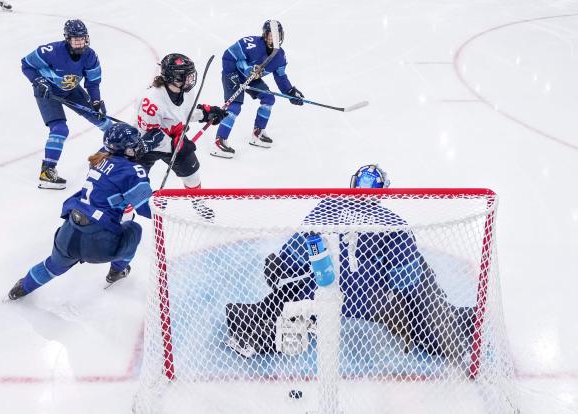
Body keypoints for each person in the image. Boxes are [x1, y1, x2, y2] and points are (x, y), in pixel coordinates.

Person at [225, 164, 475, 360]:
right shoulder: (394, 223)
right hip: (373, 304)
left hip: (321, 296)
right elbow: (405, 282)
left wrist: (277, 265)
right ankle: (446, 331)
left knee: (295, 284)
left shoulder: (328, 205)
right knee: (419, 276)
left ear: (353, 184)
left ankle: (258, 329)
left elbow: (293, 258)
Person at [7, 123, 152, 300]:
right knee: (133, 229)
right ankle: (117, 271)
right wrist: (156, 197)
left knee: (53, 266)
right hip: (98, 243)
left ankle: (21, 288)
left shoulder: (99, 158)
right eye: (134, 145)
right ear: (127, 150)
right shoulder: (133, 172)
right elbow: (147, 209)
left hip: (69, 231)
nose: (138, 147)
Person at [21, 19, 112, 190]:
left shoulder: (90, 55)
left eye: (82, 38)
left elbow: (92, 83)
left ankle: (119, 151)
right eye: (75, 39)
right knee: (60, 129)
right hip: (48, 92)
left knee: (101, 119)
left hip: (71, 90)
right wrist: (38, 80)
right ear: (67, 39)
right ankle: (47, 172)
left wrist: (96, 101)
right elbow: (26, 64)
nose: (79, 42)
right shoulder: (51, 51)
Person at [133, 53, 227, 219]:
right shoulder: (151, 101)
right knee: (132, 182)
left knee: (192, 175)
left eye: (190, 75)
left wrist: (206, 114)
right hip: (143, 146)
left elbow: (184, 112)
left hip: (175, 139)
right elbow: (148, 137)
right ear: (171, 77)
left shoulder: (185, 91)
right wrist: (173, 144)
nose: (190, 80)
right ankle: (124, 216)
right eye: (184, 76)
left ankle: (198, 202)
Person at [211, 20, 305, 159]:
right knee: (234, 107)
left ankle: (257, 133)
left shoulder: (280, 57)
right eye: (271, 35)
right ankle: (219, 142)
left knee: (268, 98)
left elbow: (281, 77)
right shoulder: (251, 44)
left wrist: (290, 92)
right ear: (264, 35)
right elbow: (228, 55)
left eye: (277, 35)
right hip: (233, 75)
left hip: (251, 79)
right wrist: (237, 73)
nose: (274, 39)